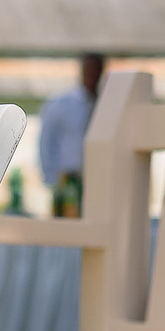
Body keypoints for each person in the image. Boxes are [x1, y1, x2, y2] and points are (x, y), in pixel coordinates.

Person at [36, 53, 106, 218]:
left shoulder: (105, 105)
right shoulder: (61, 105)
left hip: (97, 178)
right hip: (68, 177)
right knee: (66, 226)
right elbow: (47, 140)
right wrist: (50, 176)